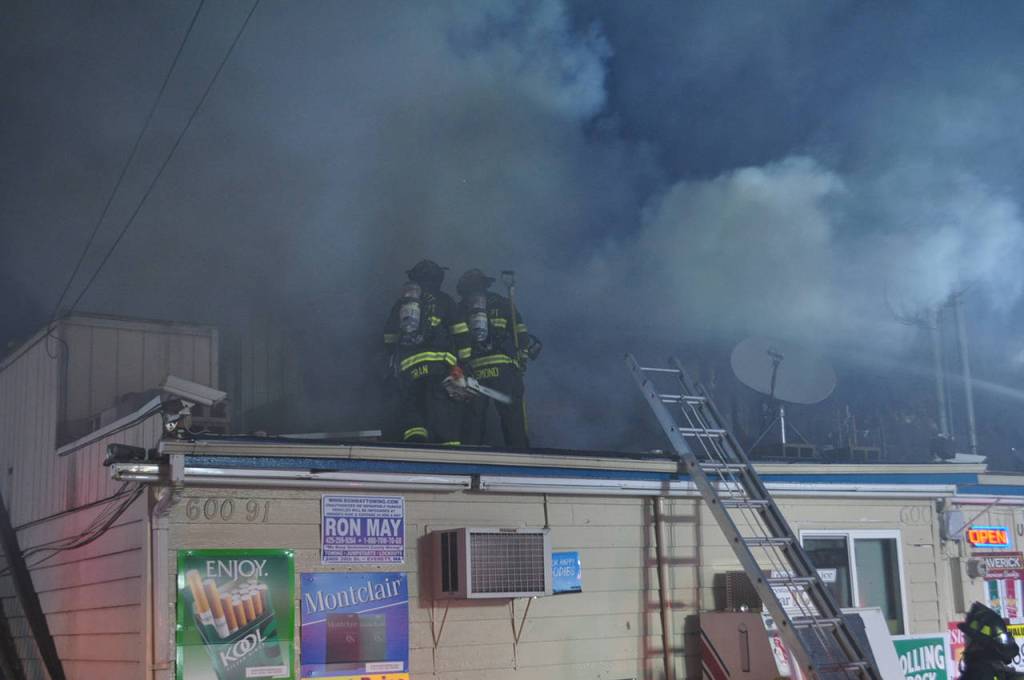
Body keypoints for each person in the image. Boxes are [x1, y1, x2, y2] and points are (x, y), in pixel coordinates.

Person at [383, 260, 464, 446]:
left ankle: (416, 443)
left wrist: (396, 357)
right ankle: (449, 449)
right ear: (438, 278)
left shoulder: (401, 303)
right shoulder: (446, 300)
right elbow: (461, 333)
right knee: (441, 406)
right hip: (439, 367)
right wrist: (463, 364)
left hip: (409, 368)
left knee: (413, 405)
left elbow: (388, 336)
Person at [454, 268, 533, 448]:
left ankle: (470, 459)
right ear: (485, 285)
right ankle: (520, 458)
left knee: (473, 420)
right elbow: (521, 335)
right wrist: (522, 358)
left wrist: (463, 365)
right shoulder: (504, 303)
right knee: (513, 418)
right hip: (504, 370)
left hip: (476, 372)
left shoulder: (461, 307)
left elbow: (457, 338)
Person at [957, 602, 1023, 679]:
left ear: (978, 642)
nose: (964, 638)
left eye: (968, 636)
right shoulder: (1009, 675)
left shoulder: (975, 674)